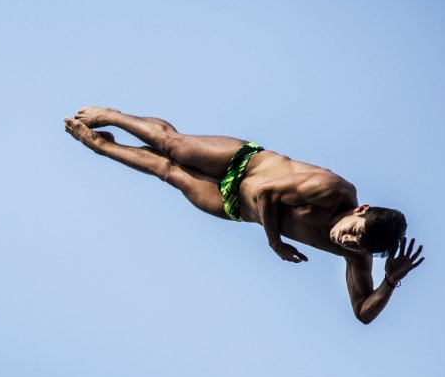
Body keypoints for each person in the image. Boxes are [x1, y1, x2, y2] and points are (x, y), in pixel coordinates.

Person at [64, 108, 424, 324]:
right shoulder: (333, 190)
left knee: (168, 171)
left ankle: (99, 145)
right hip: (243, 164)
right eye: (354, 231)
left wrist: (389, 283)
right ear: (360, 211)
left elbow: (362, 312)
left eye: (357, 245)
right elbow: (268, 192)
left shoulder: (354, 255)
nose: (347, 240)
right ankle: (113, 115)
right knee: (174, 146)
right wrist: (275, 242)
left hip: (236, 207)